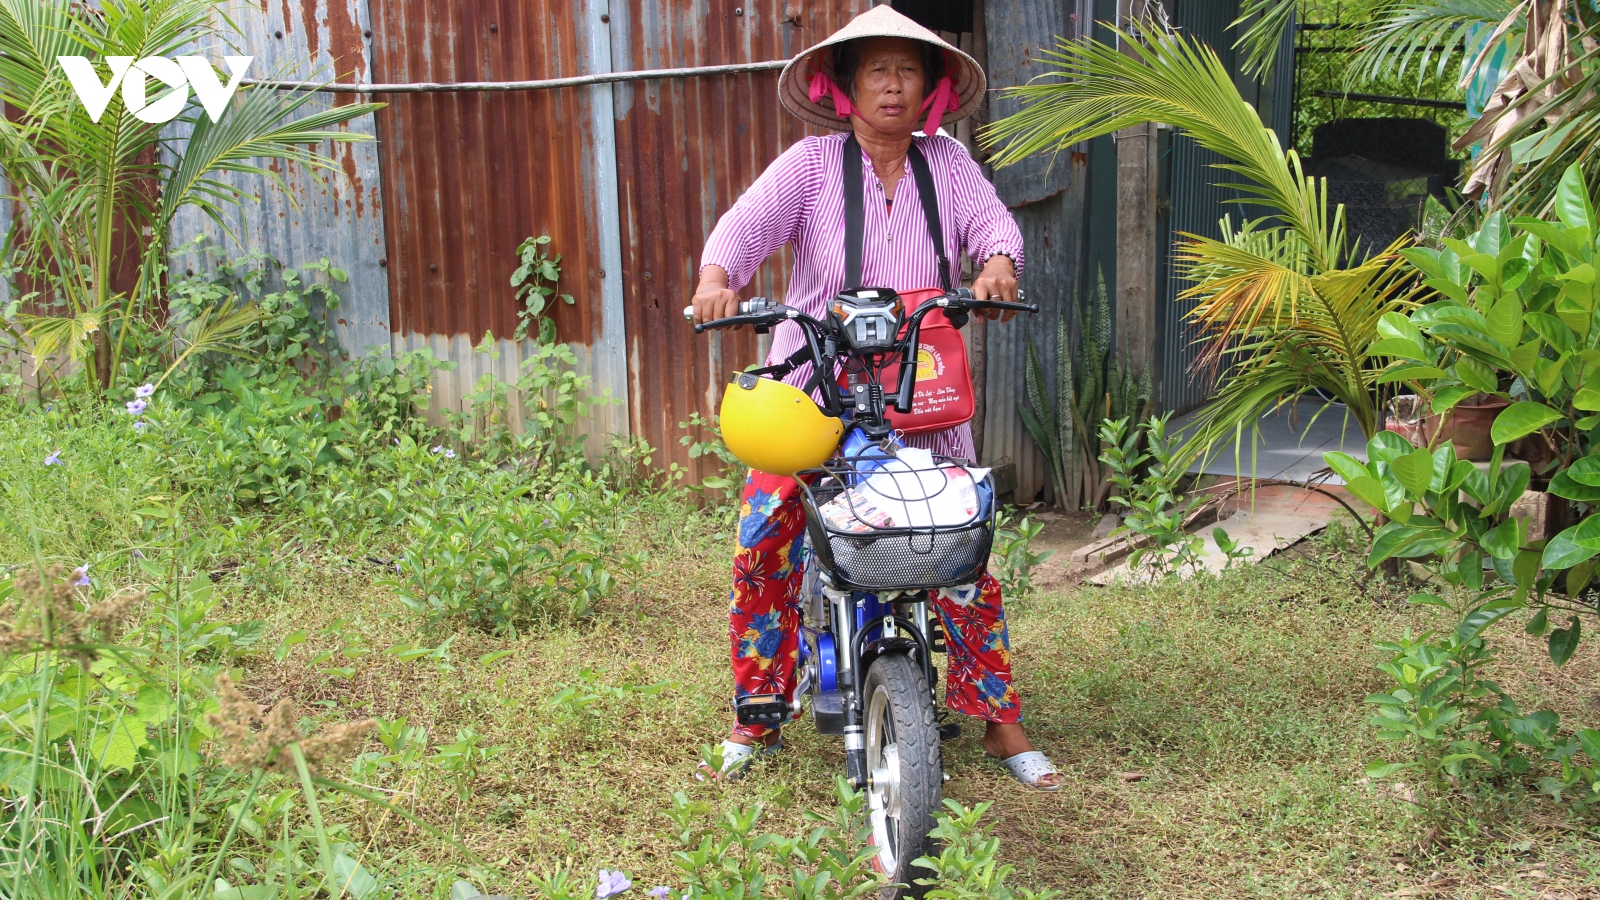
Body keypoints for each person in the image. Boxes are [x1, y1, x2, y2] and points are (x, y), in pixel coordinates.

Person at [689, 6, 1061, 791]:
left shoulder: (949, 164)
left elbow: (993, 228)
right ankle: (756, 716)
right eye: (877, 72)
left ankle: (998, 721)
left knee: (957, 545)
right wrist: (716, 281)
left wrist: (998, 266)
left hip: (920, 391)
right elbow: (741, 230)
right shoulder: (811, 165)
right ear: (846, 87)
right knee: (765, 543)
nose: (893, 86)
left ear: (929, 88)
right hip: (810, 391)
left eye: (909, 71)